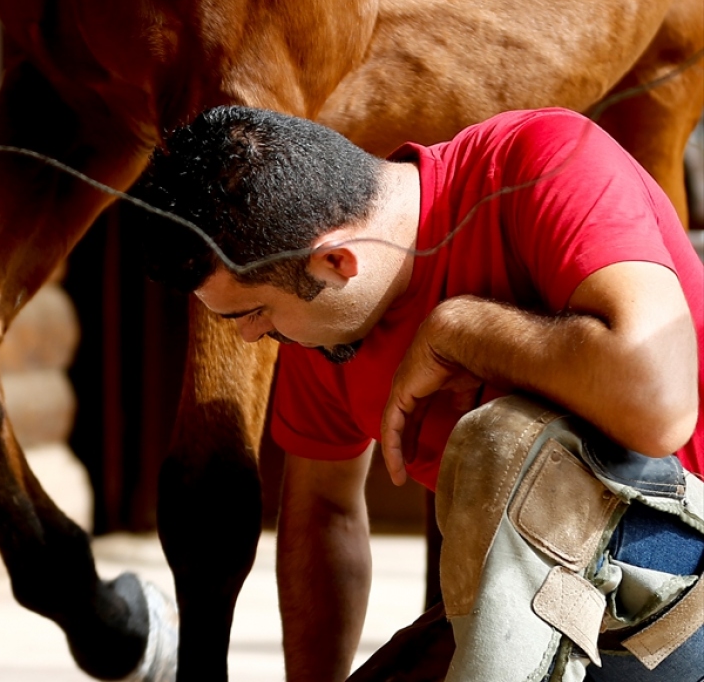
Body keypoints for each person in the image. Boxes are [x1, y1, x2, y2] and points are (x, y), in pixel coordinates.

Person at [133, 105, 704, 681]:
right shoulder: (323, 329)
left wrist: (464, 331)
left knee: (500, 439)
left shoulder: (545, 159)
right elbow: (323, 512)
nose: (248, 336)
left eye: (252, 312)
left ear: (335, 260)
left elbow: (660, 407)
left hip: (679, 584)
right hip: (541, 610)